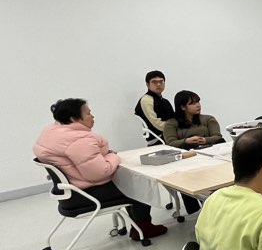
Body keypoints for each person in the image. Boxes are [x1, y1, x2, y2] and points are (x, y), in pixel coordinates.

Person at [34, 98, 167, 241]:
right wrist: (113, 156)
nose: (92, 116)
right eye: (88, 113)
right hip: (84, 194)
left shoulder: (53, 132)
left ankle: (137, 225)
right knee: (139, 183)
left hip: (70, 192)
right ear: (73, 118)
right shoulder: (79, 141)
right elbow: (100, 172)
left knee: (129, 179)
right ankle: (143, 227)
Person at [134, 70, 174, 144]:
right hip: (158, 137)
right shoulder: (146, 100)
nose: (158, 84)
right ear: (147, 85)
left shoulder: (165, 101)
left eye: (161, 81)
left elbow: (173, 119)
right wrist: (175, 128)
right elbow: (157, 124)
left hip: (168, 133)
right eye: (154, 82)